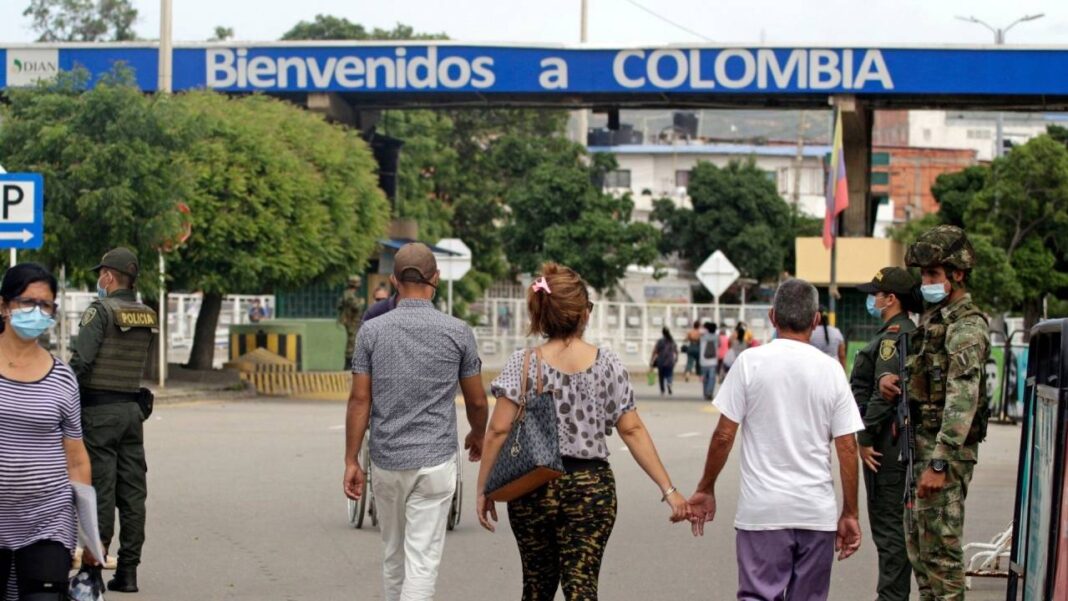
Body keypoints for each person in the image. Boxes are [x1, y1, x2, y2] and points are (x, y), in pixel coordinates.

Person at [476, 263, 688, 600]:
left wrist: (485, 488)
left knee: (536, 586)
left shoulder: (524, 362)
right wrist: (670, 489)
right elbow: (631, 429)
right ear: (584, 314)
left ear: (542, 314)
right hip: (591, 488)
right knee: (582, 587)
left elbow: (498, 431)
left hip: (533, 488)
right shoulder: (607, 363)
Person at [685, 278, 864, 600]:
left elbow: (724, 435)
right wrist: (850, 513)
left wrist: (706, 487)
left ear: (772, 317)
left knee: (757, 595)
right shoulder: (832, 370)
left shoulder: (749, 364)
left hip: (763, 513)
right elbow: (848, 447)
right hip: (816, 512)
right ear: (816, 320)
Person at [344, 243, 489, 601]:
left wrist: (351, 460)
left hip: (387, 462)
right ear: (435, 278)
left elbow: (360, 399)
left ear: (394, 280)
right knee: (421, 562)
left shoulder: (371, 332)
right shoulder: (457, 332)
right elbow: (476, 399)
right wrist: (477, 434)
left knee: (393, 555)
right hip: (436, 463)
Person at [878, 225, 991, 600]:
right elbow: (931, 382)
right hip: (920, 451)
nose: (925, 282)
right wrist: (895, 382)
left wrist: (940, 463)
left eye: (933, 275)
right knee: (921, 556)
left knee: (941, 559)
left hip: (941, 457)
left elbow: (963, 398)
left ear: (957, 274)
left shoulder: (966, 326)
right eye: (924, 274)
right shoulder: (935, 321)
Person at [0, 263, 98, 600]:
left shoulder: (62, 377)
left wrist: (91, 536)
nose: (37, 312)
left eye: (45, 305)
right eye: (27, 302)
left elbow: (76, 459)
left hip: (48, 518)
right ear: (4, 306)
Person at [70, 247, 158, 594]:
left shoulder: (100, 311)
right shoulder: (146, 313)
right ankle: (129, 571)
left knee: (101, 490)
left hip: (99, 413)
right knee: (133, 492)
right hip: (132, 413)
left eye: (100, 274)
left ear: (108, 276)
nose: (98, 281)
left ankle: (94, 568)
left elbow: (81, 363)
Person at [851, 267, 920, 601]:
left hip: (885, 443)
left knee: (889, 530)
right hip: (888, 440)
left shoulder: (895, 337)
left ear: (891, 299)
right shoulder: (896, 332)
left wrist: (863, 439)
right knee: (891, 529)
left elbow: (885, 394)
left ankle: (891, 597)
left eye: (876, 293)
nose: (872, 298)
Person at [337, 275, 365, 368]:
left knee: (353, 342)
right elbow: (356, 306)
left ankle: (349, 364)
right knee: (352, 342)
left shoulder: (348, 293)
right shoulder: (349, 294)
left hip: (353, 320)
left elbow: (339, 305)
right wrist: (361, 301)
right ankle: (348, 365)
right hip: (351, 321)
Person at [650, 327, 678, 396]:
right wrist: (676, 358)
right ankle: (669, 383)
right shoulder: (672, 340)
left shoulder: (660, 341)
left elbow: (655, 351)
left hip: (661, 361)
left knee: (661, 376)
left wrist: (651, 359)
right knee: (669, 374)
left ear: (662, 333)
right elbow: (676, 351)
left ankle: (662, 390)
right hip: (670, 361)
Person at [698, 321, 718, 401]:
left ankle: (705, 393)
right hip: (713, 361)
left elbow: (700, 331)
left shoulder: (703, 337)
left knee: (705, 378)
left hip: (703, 361)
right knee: (712, 378)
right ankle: (710, 392)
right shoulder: (716, 337)